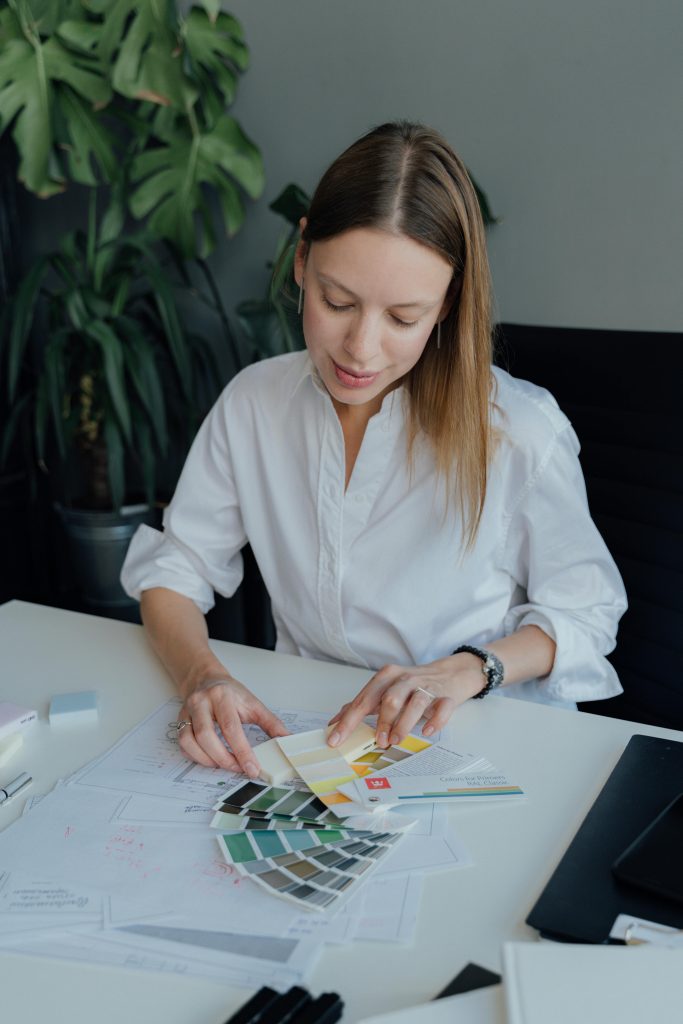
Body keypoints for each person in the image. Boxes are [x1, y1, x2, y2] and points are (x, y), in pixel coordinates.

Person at [121, 121, 627, 778]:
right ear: (301, 258)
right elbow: (173, 573)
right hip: (313, 736)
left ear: (447, 303)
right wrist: (203, 677)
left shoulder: (517, 429)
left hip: (485, 743)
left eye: (402, 318)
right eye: (337, 301)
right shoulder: (256, 402)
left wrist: (470, 669)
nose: (360, 349)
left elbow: (584, 617)